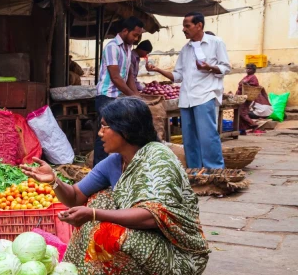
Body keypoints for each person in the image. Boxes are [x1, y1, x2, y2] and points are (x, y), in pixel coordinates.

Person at [22, 98, 209, 275]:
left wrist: (95, 214)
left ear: (126, 131)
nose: (100, 133)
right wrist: (54, 180)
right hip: (146, 241)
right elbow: (75, 197)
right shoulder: (114, 161)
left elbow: (153, 216)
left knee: (104, 225)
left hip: (179, 255)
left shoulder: (159, 160)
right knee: (99, 200)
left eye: (105, 126)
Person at [147, 12, 230, 169]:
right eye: (183, 26)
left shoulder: (216, 43)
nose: (184, 29)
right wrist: (157, 69)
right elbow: (177, 76)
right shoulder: (186, 49)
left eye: (187, 26)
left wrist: (209, 67)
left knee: (208, 137)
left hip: (205, 95)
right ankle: (195, 172)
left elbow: (226, 68)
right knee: (190, 139)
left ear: (199, 26)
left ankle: (215, 172)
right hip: (186, 98)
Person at [94, 16, 144, 166]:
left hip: (117, 97)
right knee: (104, 134)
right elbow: (115, 77)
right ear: (124, 31)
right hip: (106, 96)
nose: (136, 39)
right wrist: (132, 96)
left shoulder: (128, 49)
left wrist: (137, 96)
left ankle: (114, 167)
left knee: (117, 134)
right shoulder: (112, 47)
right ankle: (97, 170)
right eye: (135, 35)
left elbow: (129, 76)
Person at [235, 63, 272, 133]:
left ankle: (253, 124)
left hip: (246, 97)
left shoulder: (253, 77)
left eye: (249, 69)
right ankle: (242, 130)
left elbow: (254, 86)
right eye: (247, 68)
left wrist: (246, 84)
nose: (247, 70)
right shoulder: (246, 76)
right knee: (239, 113)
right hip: (241, 97)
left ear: (253, 70)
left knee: (242, 113)